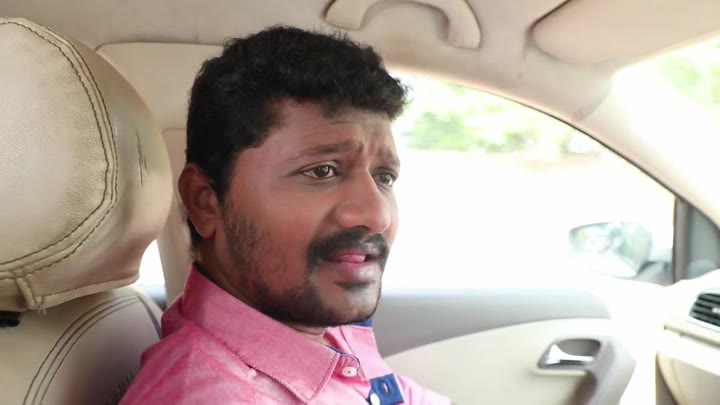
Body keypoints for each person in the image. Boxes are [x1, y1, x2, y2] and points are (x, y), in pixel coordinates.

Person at [120, 26, 450, 404]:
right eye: (322, 171)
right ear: (205, 201)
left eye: (384, 177)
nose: (377, 216)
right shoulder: (214, 396)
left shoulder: (317, 323)